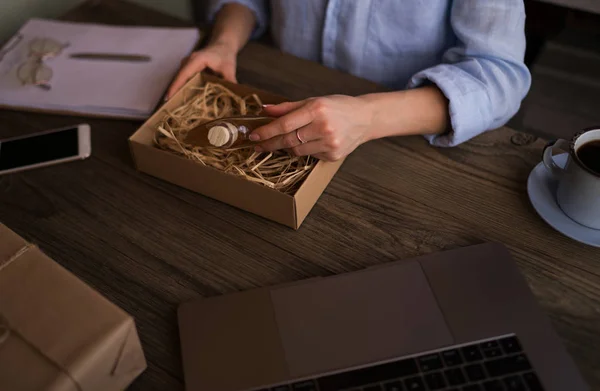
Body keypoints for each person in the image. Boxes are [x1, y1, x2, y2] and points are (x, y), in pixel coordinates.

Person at [166, 1, 531, 162]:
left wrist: (368, 117)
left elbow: (499, 75)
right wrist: (224, 43)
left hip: (403, 144)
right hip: (279, 91)